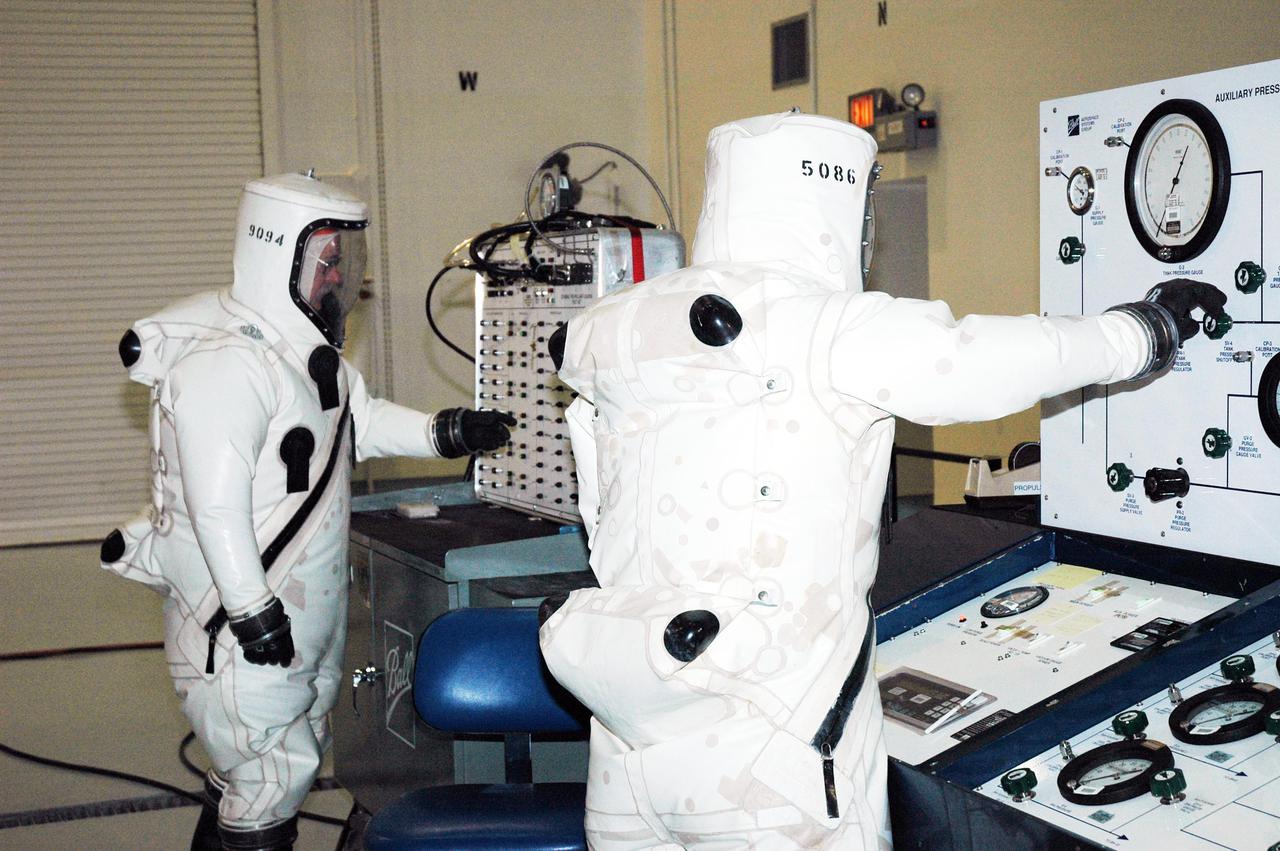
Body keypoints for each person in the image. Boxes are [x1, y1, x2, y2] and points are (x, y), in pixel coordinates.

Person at [537, 111, 1227, 849]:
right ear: (837, 204)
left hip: (626, 744)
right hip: (770, 760)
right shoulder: (818, 326)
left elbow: (600, 514)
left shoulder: (619, 330)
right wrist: (1145, 331)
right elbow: (980, 360)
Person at [100, 171, 514, 851]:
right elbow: (215, 506)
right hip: (239, 627)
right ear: (276, 254)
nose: (340, 277)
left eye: (344, 260)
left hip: (296, 619)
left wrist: (446, 431)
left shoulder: (306, 359)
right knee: (269, 777)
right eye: (327, 260)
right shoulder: (227, 366)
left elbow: (358, 422)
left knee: (266, 767)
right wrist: (251, 611)